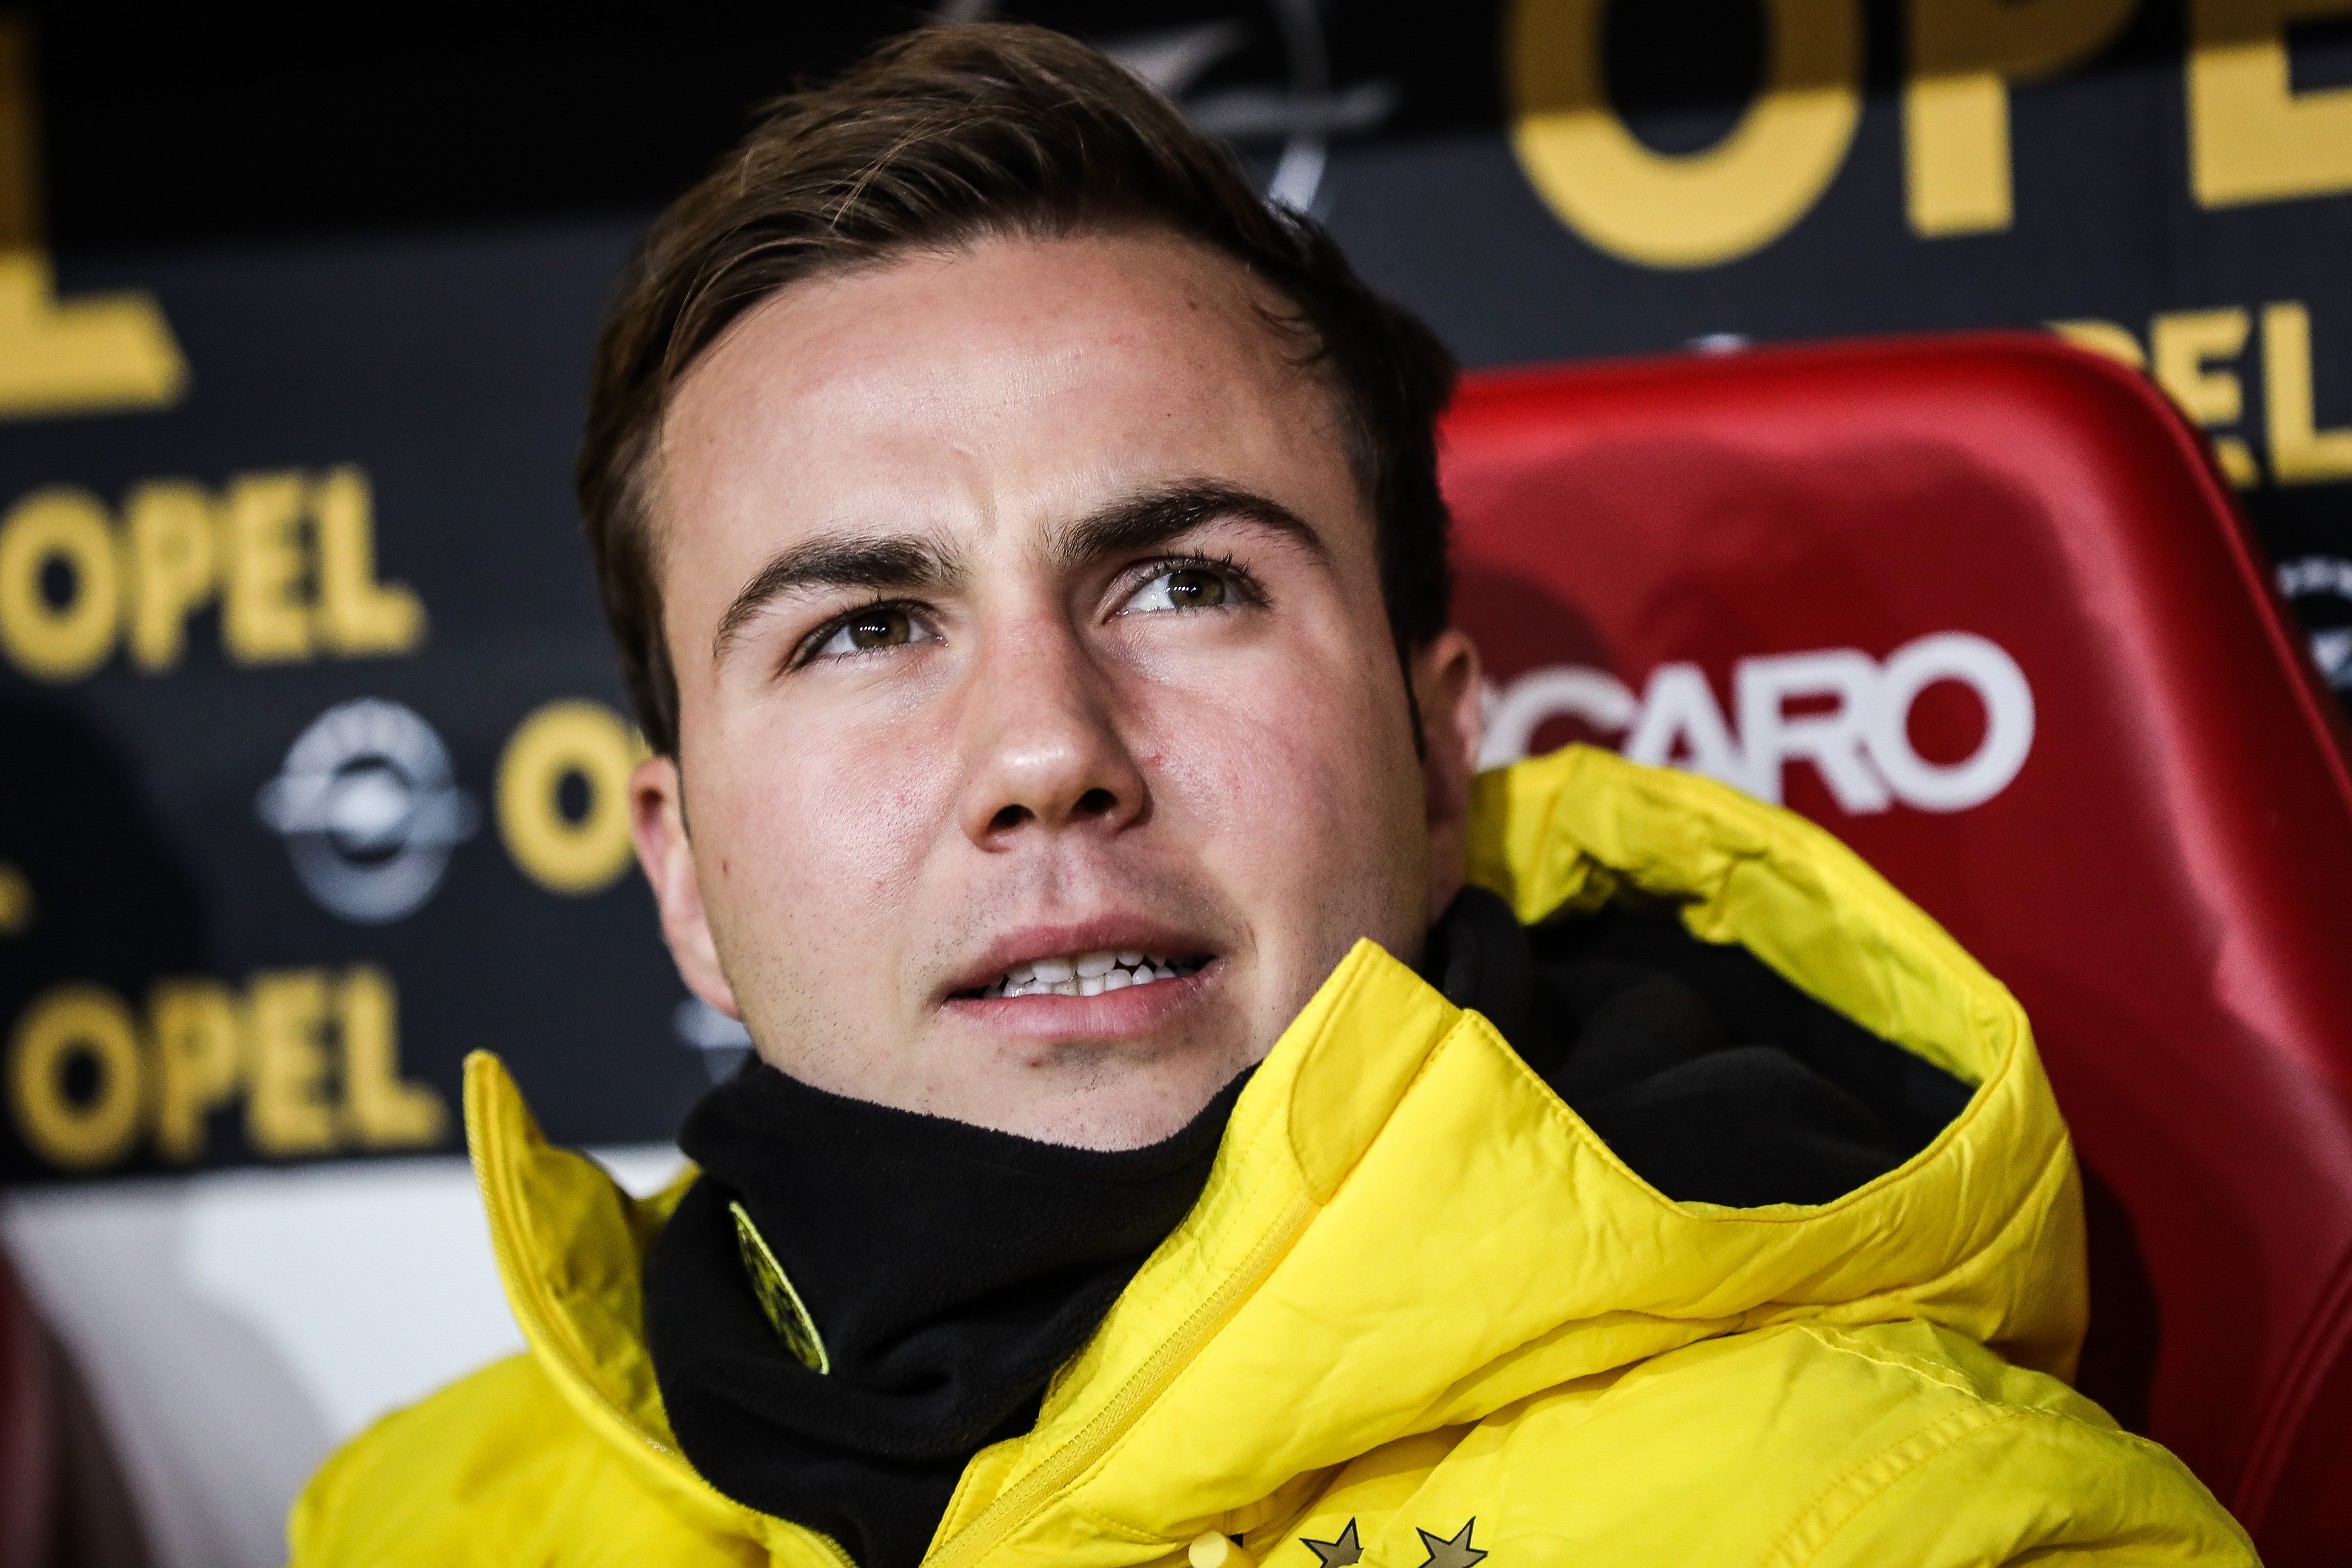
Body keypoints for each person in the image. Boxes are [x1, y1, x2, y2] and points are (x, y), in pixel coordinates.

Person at [288, 22, 2253, 1568]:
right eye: (867, 627)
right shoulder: (398, 1521)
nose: (1048, 747)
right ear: (683, 873)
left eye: (1182, 584)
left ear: (1435, 749)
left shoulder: (1933, 1529)